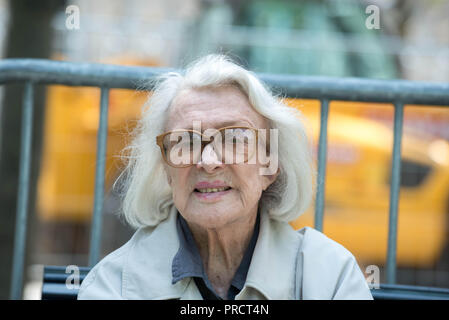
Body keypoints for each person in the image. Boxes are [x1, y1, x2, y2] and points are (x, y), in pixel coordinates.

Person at [77, 54, 373, 300]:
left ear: (270, 164)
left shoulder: (331, 278)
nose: (208, 161)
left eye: (234, 138)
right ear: (166, 170)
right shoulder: (114, 287)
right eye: (185, 142)